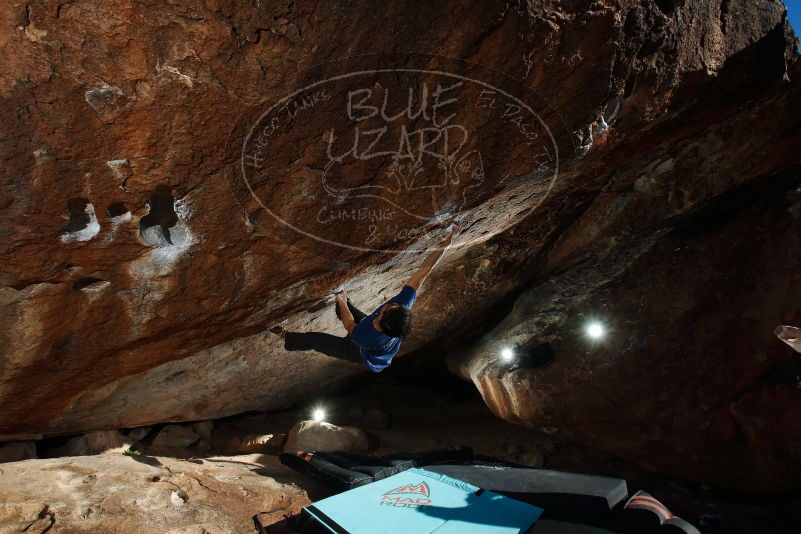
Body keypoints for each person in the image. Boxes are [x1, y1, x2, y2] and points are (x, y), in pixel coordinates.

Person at [274, 227, 458, 372]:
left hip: (359, 352)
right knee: (348, 306)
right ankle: (342, 303)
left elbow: (349, 324)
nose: (392, 304)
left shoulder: (366, 337)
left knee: (315, 340)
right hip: (374, 337)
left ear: (380, 318)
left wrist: (341, 300)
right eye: (395, 305)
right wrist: (447, 242)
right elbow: (421, 275)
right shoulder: (399, 312)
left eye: (389, 307)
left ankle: (285, 336)